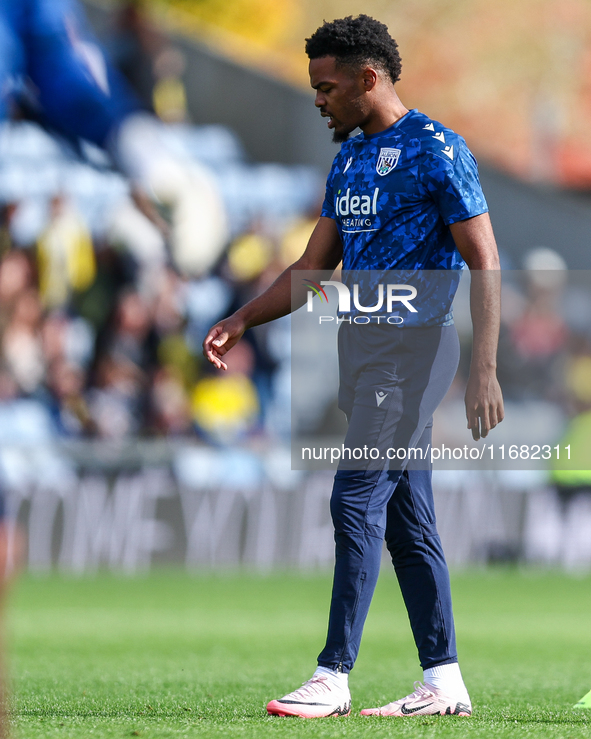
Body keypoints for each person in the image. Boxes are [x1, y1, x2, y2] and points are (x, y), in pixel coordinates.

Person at [203, 15, 504, 719]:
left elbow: (484, 258)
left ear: (367, 78)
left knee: (353, 496)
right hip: (364, 354)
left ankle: (332, 674)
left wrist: (485, 367)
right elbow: (312, 268)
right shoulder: (348, 160)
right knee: (406, 518)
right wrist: (242, 317)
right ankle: (443, 680)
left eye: (325, 86)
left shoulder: (436, 150)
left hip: (414, 351)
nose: (317, 99)